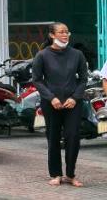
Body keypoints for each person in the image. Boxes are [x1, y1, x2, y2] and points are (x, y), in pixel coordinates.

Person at [32, 21, 89, 188]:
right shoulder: (42, 55)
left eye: (67, 32)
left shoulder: (77, 54)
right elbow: (37, 80)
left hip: (73, 103)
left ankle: (70, 175)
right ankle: (56, 174)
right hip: (51, 103)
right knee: (53, 138)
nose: (65, 35)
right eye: (62, 32)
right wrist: (51, 98)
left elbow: (83, 79)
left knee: (73, 137)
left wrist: (75, 97)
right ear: (52, 35)